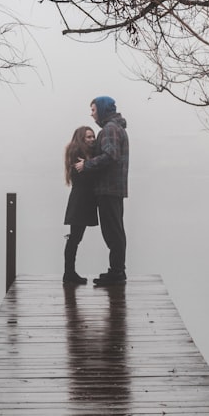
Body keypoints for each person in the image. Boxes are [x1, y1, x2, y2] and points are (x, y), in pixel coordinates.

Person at [74, 96, 129, 287]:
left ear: (103, 109)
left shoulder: (110, 129)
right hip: (112, 189)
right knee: (115, 231)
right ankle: (117, 271)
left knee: (113, 232)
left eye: (93, 110)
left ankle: (117, 272)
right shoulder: (114, 128)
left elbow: (110, 155)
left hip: (109, 189)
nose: (91, 114)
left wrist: (86, 164)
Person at [62, 126, 97, 285]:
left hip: (83, 200)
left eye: (93, 137)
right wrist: (90, 164)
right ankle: (69, 273)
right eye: (88, 137)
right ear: (81, 138)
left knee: (75, 237)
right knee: (75, 238)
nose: (91, 140)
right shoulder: (77, 154)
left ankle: (69, 273)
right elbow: (85, 177)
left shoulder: (85, 154)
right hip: (80, 200)